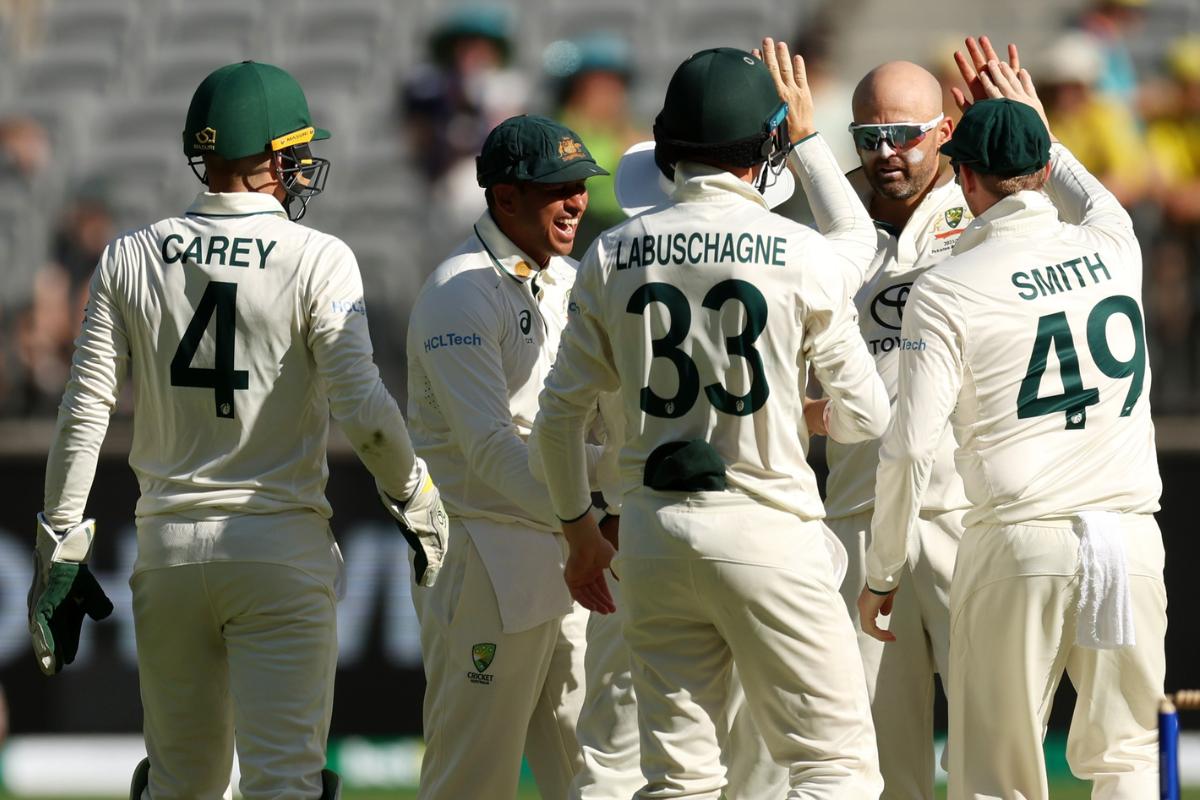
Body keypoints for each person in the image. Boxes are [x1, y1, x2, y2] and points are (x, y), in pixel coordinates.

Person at [27, 60, 448, 800]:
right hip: (278, 548)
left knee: (180, 786)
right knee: (285, 784)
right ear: (274, 160)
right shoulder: (318, 257)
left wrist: (60, 541)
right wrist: (415, 494)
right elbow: (362, 405)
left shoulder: (129, 255)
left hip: (168, 554)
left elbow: (85, 408)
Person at [534, 43, 889, 798]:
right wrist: (807, 137)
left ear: (666, 149)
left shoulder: (611, 252)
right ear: (766, 147)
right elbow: (864, 417)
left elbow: (558, 418)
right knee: (838, 769)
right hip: (768, 529)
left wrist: (577, 535)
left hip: (653, 537)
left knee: (678, 778)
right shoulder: (802, 251)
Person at [860, 39, 1166, 799]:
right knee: (1126, 757)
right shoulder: (1114, 243)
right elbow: (1088, 191)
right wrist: (1038, 127)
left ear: (961, 177)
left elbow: (906, 449)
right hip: (1129, 539)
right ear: (1041, 163)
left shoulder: (950, 285)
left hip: (1019, 540)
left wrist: (883, 570)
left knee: (997, 774)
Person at [404, 113, 608, 800]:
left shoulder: (575, 281)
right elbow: (491, 449)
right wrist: (583, 519)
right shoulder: (460, 290)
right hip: (482, 553)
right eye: (557, 188)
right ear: (506, 198)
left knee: (590, 773)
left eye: (580, 185)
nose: (576, 201)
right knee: (473, 777)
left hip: (567, 554)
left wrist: (598, 517)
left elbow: (606, 427)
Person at [811, 58, 972, 799]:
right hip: (858, 513)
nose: (884, 152)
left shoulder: (986, 209)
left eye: (903, 135)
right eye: (868, 135)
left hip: (970, 516)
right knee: (875, 768)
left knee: (993, 752)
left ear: (943, 130)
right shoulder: (821, 224)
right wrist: (814, 415)